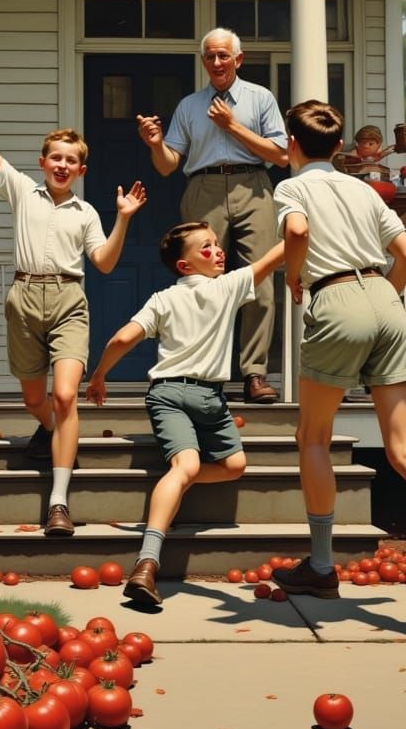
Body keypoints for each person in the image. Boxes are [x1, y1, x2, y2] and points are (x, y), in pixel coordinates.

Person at [270, 99, 406, 629]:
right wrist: (384, 297)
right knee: (405, 448)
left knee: (313, 438)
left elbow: (295, 234)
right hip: (386, 299)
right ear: (339, 148)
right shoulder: (364, 189)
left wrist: (294, 277)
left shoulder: (292, 188)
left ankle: (320, 564)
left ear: (292, 144)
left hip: (334, 297)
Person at [0, 52, 147, 537]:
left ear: (81, 169)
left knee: (63, 396)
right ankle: (59, 434)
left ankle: (59, 502)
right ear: (42, 163)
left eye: (72, 160)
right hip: (23, 299)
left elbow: (102, 263)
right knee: (34, 397)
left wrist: (122, 218)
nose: (62, 164)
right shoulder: (20, 190)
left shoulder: (86, 213)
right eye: (55, 157)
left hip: (68, 300)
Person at [85, 222, 287, 605]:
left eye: (217, 244)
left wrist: (99, 375)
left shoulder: (163, 299)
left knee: (234, 465)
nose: (218, 251)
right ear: (185, 265)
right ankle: (147, 563)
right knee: (187, 466)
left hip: (200, 397)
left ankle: (177, 486)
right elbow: (276, 255)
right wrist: (302, 224)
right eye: (206, 248)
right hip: (177, 394)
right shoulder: (225, 287)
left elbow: (121, 338)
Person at [136, 28, 288, 404]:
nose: (217, 63)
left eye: (224, 56)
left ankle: (254, 374)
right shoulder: (189, 106)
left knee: (261, 284)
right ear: (203, 61)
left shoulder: (260, 98)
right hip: (203, 187)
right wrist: (155, 144)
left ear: (239, 59)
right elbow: (169, 165)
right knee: (199, 284)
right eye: (210, 57)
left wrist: (232, 126)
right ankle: (200, 375)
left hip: (253, 185)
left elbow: (281, 155)